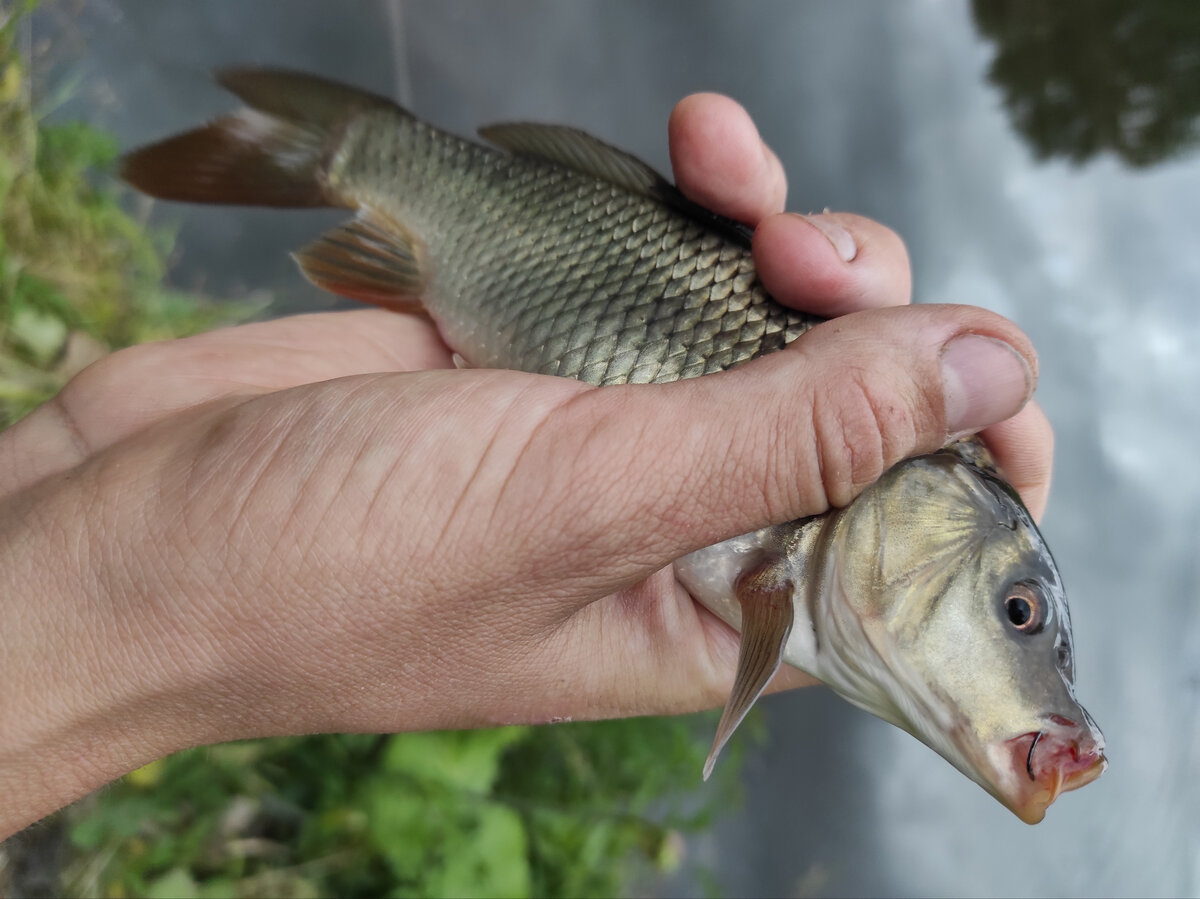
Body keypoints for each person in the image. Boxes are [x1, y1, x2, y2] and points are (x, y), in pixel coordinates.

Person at [0, 94, 1050, 839]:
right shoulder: (806, 548)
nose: (1027, 653)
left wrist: (107, 590)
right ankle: (343, 142)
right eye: (1018, 610)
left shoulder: (791, 610)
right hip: (538, 237)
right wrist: (95, 613)